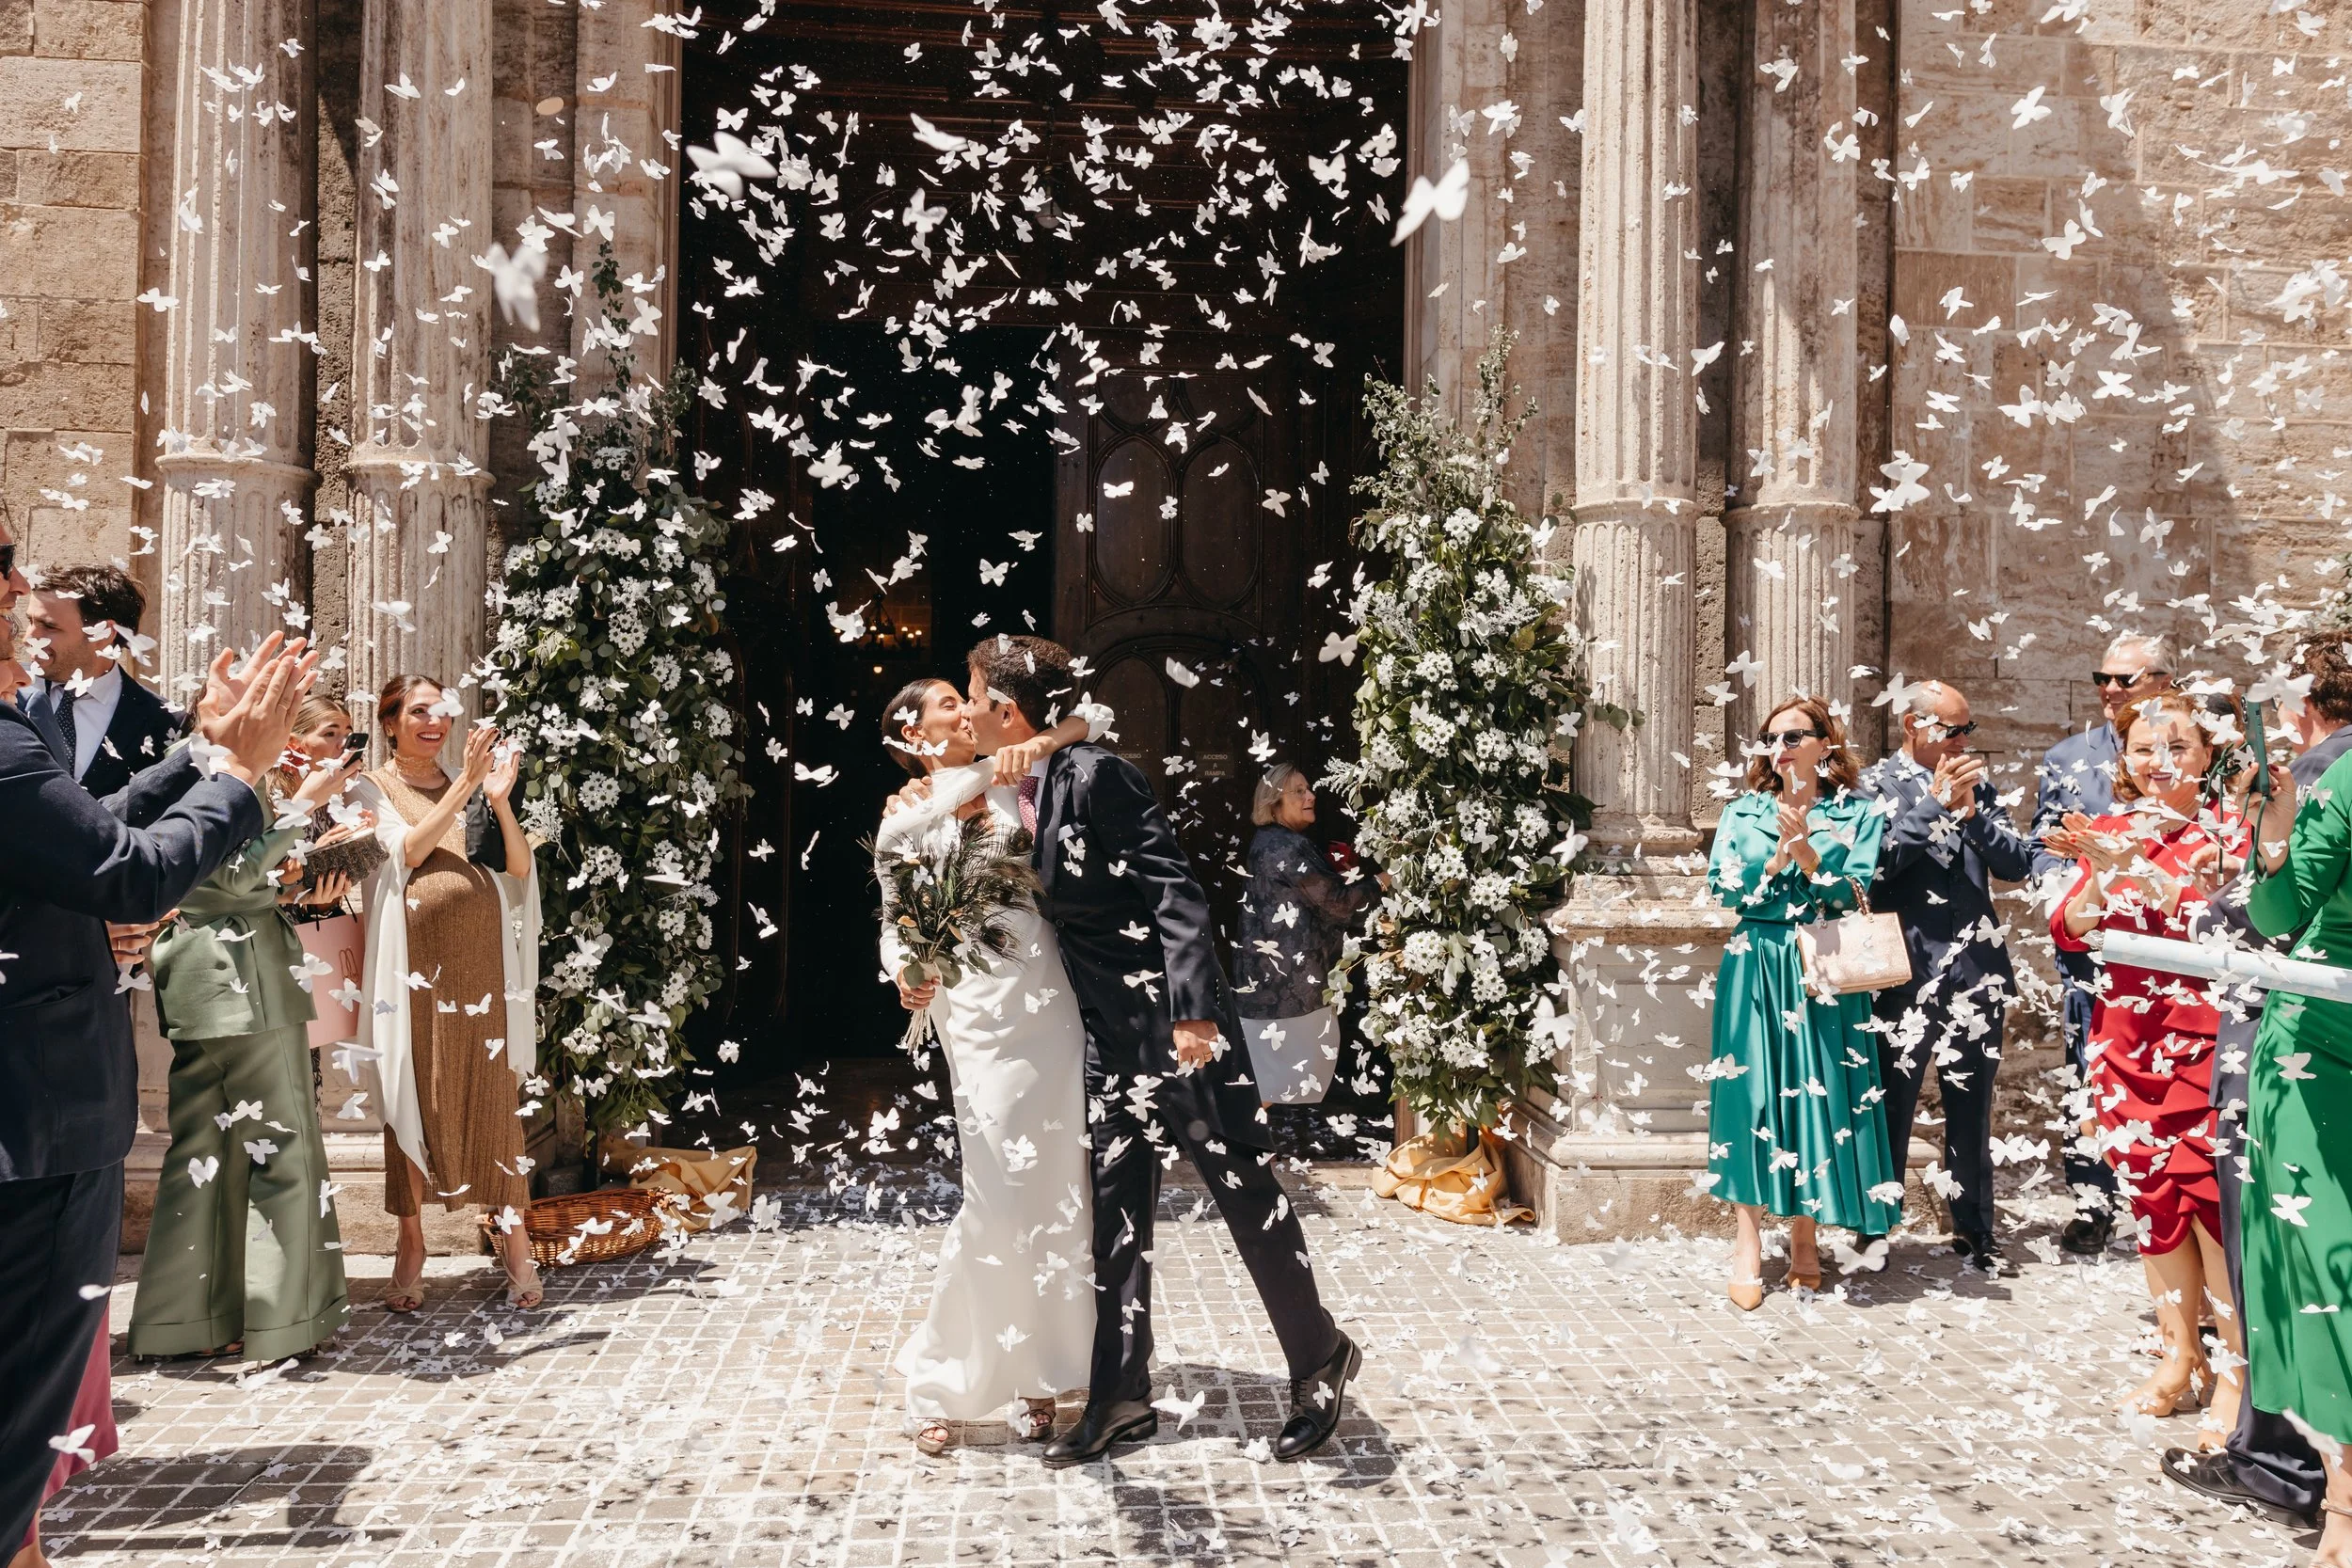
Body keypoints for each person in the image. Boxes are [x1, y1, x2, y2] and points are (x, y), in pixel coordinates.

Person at [911, 635, 1356, 1467]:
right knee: (1115, 1216)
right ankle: (1121, 1399)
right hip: (1106, 1041)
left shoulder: (1099, 777)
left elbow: (1176, 891)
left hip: (1178, 1033)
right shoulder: (1019, 777)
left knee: (1244, 1194)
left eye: (972, 695)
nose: (964, 709)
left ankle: (1319, 1360)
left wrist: (1193, 1013)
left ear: (1008, 710)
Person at [0, 621, 314, 1560]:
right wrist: (241, 777)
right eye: (1, 564)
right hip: (37, 1125)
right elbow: (125, 873)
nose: (18, 588)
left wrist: (202, 755)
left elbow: (80, 838)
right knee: (18, 1429)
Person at [875, 676, 1104, 1455]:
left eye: (961, 697)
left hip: (1048, 1009)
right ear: (912, 732)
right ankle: (942, 1378)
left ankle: (1042, 1375)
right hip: (972, 1017)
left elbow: (1095, 716)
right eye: (945, 702)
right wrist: (908, 971)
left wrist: (1041, 740)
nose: (963, 709)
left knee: (1056, 1190)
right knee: (996, 1194)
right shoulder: (906, 816)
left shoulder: (1017, 777)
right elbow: (895, 918)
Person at [2163, 638, 2352, 1528]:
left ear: (2301, 705)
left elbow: (2277, 916)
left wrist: (2268, 839)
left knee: (2313, 1261)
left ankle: (2320, 1486)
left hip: (2317, 1046)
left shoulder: (2331, 779)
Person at [125, 709, 366, 1363]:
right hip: (246, 985)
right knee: (283, 1153)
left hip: (199, 985)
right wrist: (305, 807)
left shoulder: (181, 768)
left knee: (201, 1154)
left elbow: (233, 879)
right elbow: (228, 881)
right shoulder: (227, 774)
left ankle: (186, 1322)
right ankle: (284, 1324)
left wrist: (293, 875)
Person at [2049, 690, 2243, 1432]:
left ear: (2206, 753)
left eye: (2177, 747)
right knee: (2153, 1197)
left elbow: (2231, 919)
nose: (2159, 762)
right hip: (2125, 1036)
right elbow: (2070, 929)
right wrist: (2104, 870)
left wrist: (2156, 869)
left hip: (2201, 1037)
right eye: (2142, 750)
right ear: (2122, 761)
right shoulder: (2109, 827)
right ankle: (2176, 1356)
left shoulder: (2226, 830)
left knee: (2207, 1201)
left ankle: (2234, 1372)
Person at [349, 676, 543, 1312]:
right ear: (391, 722)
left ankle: (515, 1242)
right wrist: (463, 784)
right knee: (411, 1094)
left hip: (481, 971)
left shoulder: (476, 789)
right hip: (412, 974)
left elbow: (516, 869)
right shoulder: (369, 788)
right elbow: (403, 851)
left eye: (442, 709)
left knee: (494, 1098)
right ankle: (412, 1243)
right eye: (418, 710)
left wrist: (499, 799)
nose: (434, 720)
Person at [1705, 694, 1899, 1309]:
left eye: (1795, 735)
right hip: (1756, 958)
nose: (1782, 746)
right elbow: (1723, 888)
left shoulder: (1858, 814)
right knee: (1751, 1097)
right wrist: (1779, 860)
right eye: (1773, 737)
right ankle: (1746, 1238)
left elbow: (1857, 889)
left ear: (1825, 744)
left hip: (1822, 958)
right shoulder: (1742, 812)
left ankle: (1806, 1234)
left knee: (1816, 1093)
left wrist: (1811, 855)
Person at [1857, 681, 2035, 1274]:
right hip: (1907, 971)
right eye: (1951, 730)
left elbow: (2016, 864)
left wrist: (1972, 815)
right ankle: (1874, 1228)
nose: (1963, 742)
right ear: (1913, 726)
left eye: (1967, 730)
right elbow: (1874, 865)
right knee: (1893, 1105)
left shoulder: (1978, 788)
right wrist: (1932, 805)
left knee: (1972, 1103)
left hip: (1977, 971)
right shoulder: (1873, 783)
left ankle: (1976, 1229)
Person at [2233, 721, 2352, 1564]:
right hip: (2322, 1054)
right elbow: (2278, 912)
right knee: (2334, 1266)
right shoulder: (2345, 780)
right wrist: (2274, 832)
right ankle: (2345, 1505)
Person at [2031, 631, 2175, 1254]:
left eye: (2126, 680)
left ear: (2164, 684)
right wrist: (2063, 893)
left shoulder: (2188, 755)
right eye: (2103, 678)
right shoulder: (2068, 756)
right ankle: (2092, 1201)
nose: (2110, 690)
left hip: (2168, 946)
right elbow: (2041, 844)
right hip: (2090, 948)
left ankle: (2164, 1197)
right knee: (2086, 1073)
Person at [1233, 763, 1382, 1106]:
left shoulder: (1276, 842)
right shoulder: (1283, 846)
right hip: (1287, 992)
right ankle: (1232, 1149)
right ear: (1274, 802)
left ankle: (1238, 1150)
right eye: (1299, 791)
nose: (1310, 796)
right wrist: (1382, 882)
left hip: (1279, 988)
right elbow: (1336, 904)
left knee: (1266, 1085)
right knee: (1267, 1086)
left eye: (1309, 788)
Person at [19, 564, 180, 799]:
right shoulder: (8, 693)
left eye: (49, 626)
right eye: (30, 621)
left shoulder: (164, 722)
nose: (28, 638)